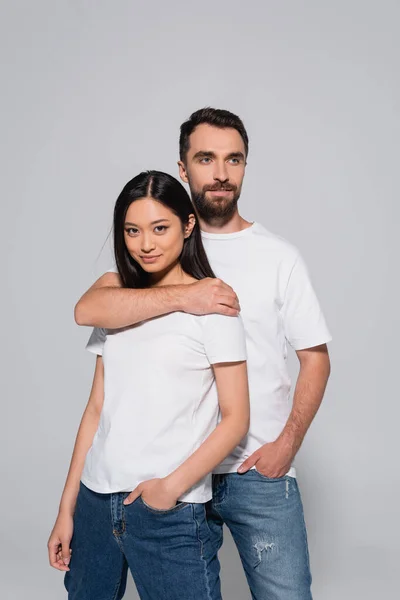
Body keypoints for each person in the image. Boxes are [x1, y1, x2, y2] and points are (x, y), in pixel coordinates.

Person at [73, 108, 332, 600]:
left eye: (233, 160)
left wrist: (287, 444)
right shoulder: (157, 246)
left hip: (252, 469)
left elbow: (314, 357)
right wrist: (184, 296)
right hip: (171, 472)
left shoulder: (278, 257)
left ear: (245, 166)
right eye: (205, 158)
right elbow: (93, 308)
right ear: (182, 166)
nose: (220, 173)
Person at [47, 170, 250, 600]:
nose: (146, 244)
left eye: (160, 228)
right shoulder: (118, 302)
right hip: (95, 503)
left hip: (168, 512)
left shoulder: (215, 305)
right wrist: (67, 509)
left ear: (188, 225)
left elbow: (235, 419)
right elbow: (96, 410)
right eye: (132, 230)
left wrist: (169, 490)